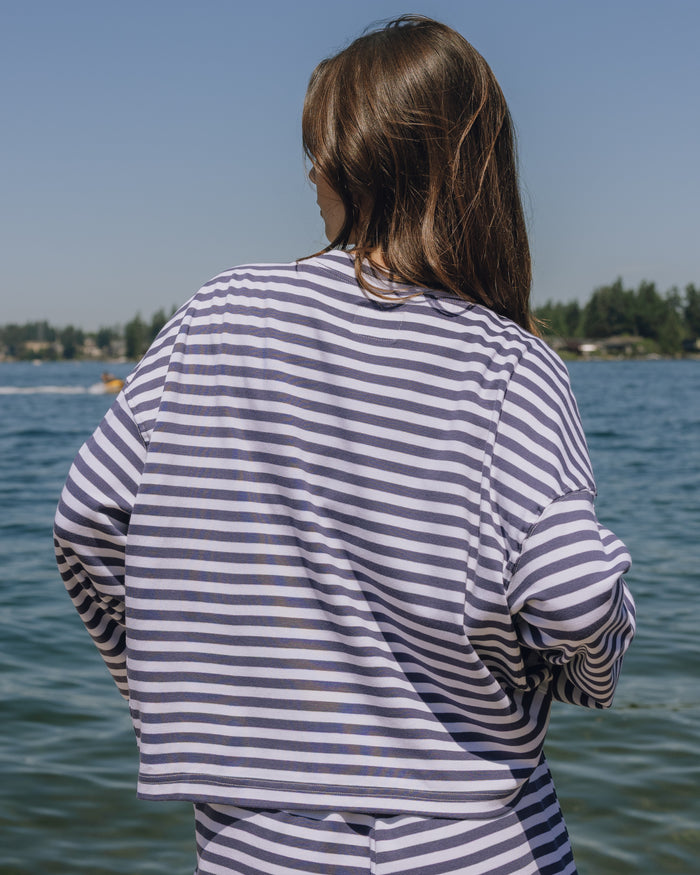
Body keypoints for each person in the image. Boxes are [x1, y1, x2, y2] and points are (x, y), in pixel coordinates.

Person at [54, 15, 635, 875]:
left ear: (356, 165)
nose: (311, 177)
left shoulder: (221, 314)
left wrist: (170, 687)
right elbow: (577, 597)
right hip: (483, 841)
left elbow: (86, 520)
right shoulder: (512, 364)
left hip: (259, 845)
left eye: (319, 153)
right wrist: (575, 676)